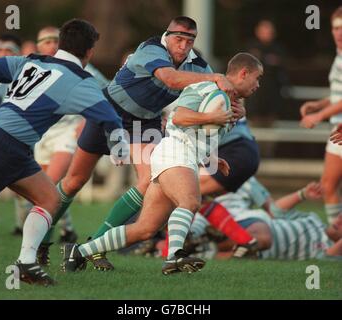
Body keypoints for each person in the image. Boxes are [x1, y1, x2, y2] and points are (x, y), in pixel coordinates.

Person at [46, 16, 240, 271]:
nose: (183, 45)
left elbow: (217, 94)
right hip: (110, 112)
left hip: (144, 123)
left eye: (189, 40)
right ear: (166, 36)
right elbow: (170, 79)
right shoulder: (150, 48)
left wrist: (233, 105)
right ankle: (41, 241)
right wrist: (215, 78)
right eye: (178, 38)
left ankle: (95, 245)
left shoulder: (199, 67)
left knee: (148, 179)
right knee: (74, 181)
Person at [0, 19, 128, 286]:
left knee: (50, 198)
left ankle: (27, 263)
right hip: (5, 146)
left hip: (10, 146)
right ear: (89, 52)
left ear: (60, 43)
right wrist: (119, 146)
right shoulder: (80, 80)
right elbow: (109, 118)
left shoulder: (32, 60)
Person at [190, 178, 342, 260]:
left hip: (262, 253)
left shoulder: (329, 249)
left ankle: (206, 243)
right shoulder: (313, 219)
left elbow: (326, 257)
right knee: (258, 238)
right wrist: (302, 194)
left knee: (248, 247)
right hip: (263, 227)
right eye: (341, 217)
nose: (339, 220)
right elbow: (276, 211)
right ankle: (211, 239)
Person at [300, 7, 342, 225]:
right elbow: (338, 94)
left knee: (329, 184)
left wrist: (320, 116)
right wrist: (320, 104)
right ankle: (336, 237)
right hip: (337, 129)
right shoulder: (339, 54)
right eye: (336, 28)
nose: (338, 33)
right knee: (328, 184)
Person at [0, 34, 22, 230]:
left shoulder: (26, 75)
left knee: (38, 180)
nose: (2, 54)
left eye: (8, 51)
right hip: (0, 133)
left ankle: (23, 224)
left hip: (25, 133)